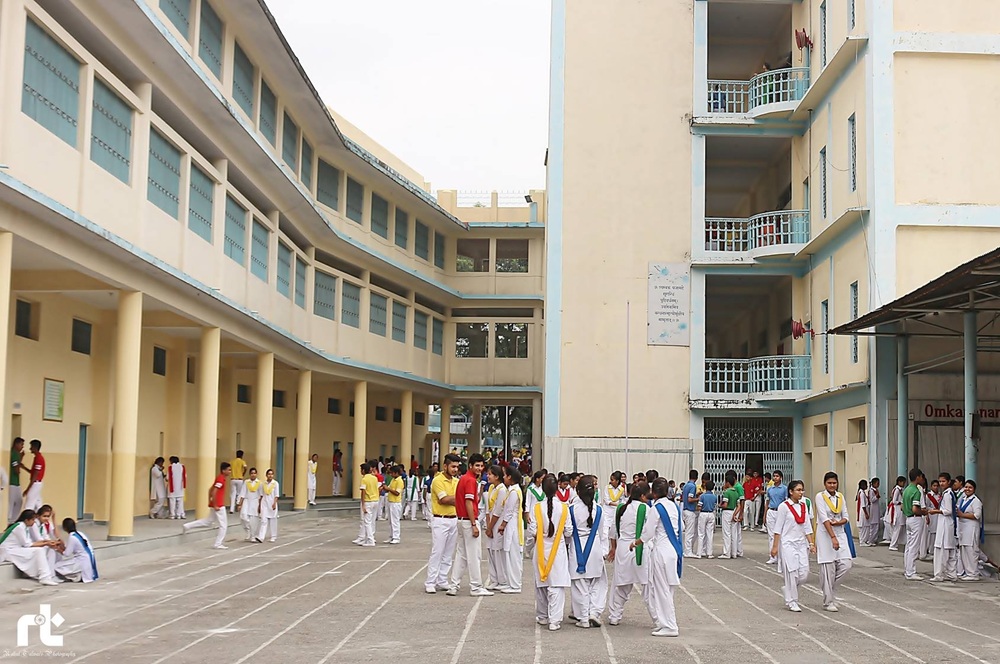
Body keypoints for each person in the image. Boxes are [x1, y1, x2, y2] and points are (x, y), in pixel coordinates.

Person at [527, 475, 573, 631]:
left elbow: (532, 531)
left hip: (540, 551)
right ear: (557, 489)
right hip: (558, 551)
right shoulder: (564, 508)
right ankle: (555, 619)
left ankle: (542, 616)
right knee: (556, 586)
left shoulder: (537, 508)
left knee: (541, 584)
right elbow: (568, 532)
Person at [607, 482, 655, 626]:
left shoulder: (621, 508)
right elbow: (651, 530)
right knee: (647, 585)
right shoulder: (646, 508)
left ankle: (614, 616)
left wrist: (613, 548)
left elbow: (613, 531)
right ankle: (657, 618)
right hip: (640, 547)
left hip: (622, 548)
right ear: (642, 496)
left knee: (621, 584)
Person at [448, 453, 492, 597]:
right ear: (470, 466)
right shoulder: (470, 481)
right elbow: (468, 502)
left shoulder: (464, 479)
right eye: (477, 465)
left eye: (481, 465)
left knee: (462, 554)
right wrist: (474, 523)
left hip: (461, 520)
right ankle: (476, 586)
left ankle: (454, 585)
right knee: (474, 555)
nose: (480, 468)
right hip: (468, 520)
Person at [770, 479, 815, 612]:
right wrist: (775, 546)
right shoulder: (784, 506)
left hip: (801, 543)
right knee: (792, 572)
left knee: (804, 573)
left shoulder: (803, 506)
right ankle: (792, 601)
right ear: (791, 492)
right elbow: (778, 528)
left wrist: (811, 543)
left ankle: (788, 589)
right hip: (787, 543)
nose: (801, 493)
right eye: (798, 490)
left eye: (802, 490)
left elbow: (807, 525)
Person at [568, 476, 607, 628]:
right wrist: (604, 550)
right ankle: (594, 612)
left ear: (577, 491)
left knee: (579, 584)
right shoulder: (599, 510)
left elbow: (568, 532)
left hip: (577, 550)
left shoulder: (571, 509)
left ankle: (583, 617)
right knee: (597, 582)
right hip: (595, 548)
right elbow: (602, 532)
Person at [648, 477, 683, 637]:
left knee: (661, 589)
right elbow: (681, 527)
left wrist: (638, 541)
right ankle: (667, 622)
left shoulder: (656, 508)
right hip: (673, 550)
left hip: (661, 550)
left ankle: (669, 624)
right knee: (669, 588)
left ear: (654, 492)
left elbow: (648, 532)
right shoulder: (674, 506)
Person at [815, 472, 854, 611]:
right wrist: (832, 537)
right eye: (829, 483)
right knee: (828, 569)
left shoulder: (840, 497)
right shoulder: (820, 497)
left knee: (846, 563)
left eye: (834, 483)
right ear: (825, 483)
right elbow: (824, 518)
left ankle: (830, 589)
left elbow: (846, 516)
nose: (832, 485)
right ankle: (828, 601)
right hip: (826, 535)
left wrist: (838, 523)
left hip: (840, 532)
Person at [424, 453, 460, 594]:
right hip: (440, 519)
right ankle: (430, 581)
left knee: (448, 552)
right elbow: (443, 500)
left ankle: (442, 579)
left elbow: (454, 499)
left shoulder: (457, 481)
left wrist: (455, 498)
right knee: (437, 551)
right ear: (445, 466)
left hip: (454, 518)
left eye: (457, 467)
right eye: (452, 466)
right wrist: (459, 498)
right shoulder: (437, 480)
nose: (455, 469)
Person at [0, 509, 59, 585]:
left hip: (15, 549)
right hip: (8, 551)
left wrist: (47, 542)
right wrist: (46, 543)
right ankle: (45, 577)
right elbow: (28, 544)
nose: (34, 522)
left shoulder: (24, 526)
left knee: (39, 550)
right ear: (26, 520)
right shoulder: (20, 527)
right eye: (33, 520)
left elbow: (30, 542)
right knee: (39, 551)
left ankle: (45, 576)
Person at [182, 462, 232, 549]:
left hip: (215, 504)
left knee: (208, 521)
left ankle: (188, 526)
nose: (230, 472)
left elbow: (210, 490)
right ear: (223, 470)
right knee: (223, 525)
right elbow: (214, 491)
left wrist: (210, 502)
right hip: (219, 505)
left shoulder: (221, 478)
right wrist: (215, 504)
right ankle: (218, 543)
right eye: (229, 470)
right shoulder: (220, 479)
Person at [498, 466, 524, 594]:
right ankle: (511, 582)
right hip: (511, 524)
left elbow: (508, 511)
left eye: (505, 475)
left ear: (510, 477)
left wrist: (502, 525)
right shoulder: (512, 490)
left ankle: (515, 584)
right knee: (509, 553)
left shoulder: (514, 492)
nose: (503, 478)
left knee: (513, 555)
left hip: (513, 524)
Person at [484, 465, 508, 591]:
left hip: (497, 524)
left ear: (497, 476)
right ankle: (493, 579)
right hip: (491, 524)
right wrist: (488, 525)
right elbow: (488, 509)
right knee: (490, 550)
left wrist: (491, 527)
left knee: (498, 552)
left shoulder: (502, 490)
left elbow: (498, 511)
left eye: (490, 474)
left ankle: (501, 579)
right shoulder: (491, 488)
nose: (488, 476)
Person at [902, 468, 927, 581]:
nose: (922, 479)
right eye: (921, 477)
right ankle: (911, 572)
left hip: (908, 519)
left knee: (909, 545)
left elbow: (903, 506)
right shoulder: (916, 491)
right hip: (916, 519)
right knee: (914, 546)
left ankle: (907, 569)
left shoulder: (907, 490)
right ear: (917, 477)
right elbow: (915, 509)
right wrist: (924, 512)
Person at [56, 518, 98, 583]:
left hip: (81, 561)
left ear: (64, 528)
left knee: (57, 566)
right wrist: (62, 545)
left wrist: (58, 549)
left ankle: (77, 576)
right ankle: (79, 575)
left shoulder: (72, 537)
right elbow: (70, 549)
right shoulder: (80, 533)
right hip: (88, 559)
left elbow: (66, 554)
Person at [956, 480, 983, 582]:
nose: (967, 489)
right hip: (963, 528)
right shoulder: (964, 499)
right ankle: (967, 572)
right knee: (964, 551)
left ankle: (973, 573)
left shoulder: (976, 501)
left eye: (970, 487)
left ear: (974, 489)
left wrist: (962, 515)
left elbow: (977, 515)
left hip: (971, 529)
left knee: (971, 551)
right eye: (966, 487)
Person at [764, 470, 788, 564]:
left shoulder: (784, 489)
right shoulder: (770, 489)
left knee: (780, 534)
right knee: (771, 535)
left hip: (780, 512)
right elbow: (767, 502)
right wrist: (765, 514)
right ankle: (772, 556)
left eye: (777, 476)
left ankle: (781, 555)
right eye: (774, 476)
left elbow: (786, 502)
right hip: (771, 511)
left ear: (781, 478)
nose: (775, 478)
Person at [354, 463, 379, 547]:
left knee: (367, 522)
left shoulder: (364, 479)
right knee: (371, 521)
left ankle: (370, 540)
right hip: (375, 500)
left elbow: (363, 492)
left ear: (364, 470)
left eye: (361, 469)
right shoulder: (374, 478)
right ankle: (368, 538)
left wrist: (363, 504)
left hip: (368, 501)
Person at [720, 472, 743, 559]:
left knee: (726, 533)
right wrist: (735, 514)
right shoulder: (736, 493)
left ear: (727, 483)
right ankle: (734, 553)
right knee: (734, 533)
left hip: (726, 512)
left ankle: (726, 553)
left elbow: (725, 505)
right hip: (734, 512)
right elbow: (739, 506)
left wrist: (719, 505)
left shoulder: (727, 492)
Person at [253, 468, 279, 543]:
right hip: (264, 503)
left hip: (272, 503)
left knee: (273, 520)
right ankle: (261, 537)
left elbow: (276, 495)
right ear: (266, 475)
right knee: (263, 520)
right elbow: (261, 495)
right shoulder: (263, 484)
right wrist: (259, 505)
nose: (270, 476)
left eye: (271, 474)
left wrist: (274, 503)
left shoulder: (275, 484)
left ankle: (273, 536)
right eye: (269, 474)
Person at [238, 467, 261, 541]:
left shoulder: (259, 483)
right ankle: (247, 530)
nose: (253, 475)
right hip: (246, 501)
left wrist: (260, 506)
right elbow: (243, 493)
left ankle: (253, 535)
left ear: (256, 474)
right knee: (243, 517)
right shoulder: (246, 482)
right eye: (252, 473)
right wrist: (240, 504)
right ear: (250, 474)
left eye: (254, 473)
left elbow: (261, 495)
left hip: (255, 502)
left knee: (253, 520)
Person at [884, 475, 906, 550]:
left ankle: (895, 543)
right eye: (903, 482)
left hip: (898, 510)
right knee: (897, 528)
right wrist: (901, 502)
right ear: (899, 482)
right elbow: (894, 501)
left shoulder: (899, 489)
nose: (904, 484)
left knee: (897, 528)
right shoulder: (897, 490)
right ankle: (893, 545)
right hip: (896, 510)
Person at [7, 437, 27, 523]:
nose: (22, 447)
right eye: (21, 444)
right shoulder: (14, 454)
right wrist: (20, 459)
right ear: (16, 444)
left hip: (16, 483)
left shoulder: (17, 454)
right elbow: (16, 470)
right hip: (12, 482)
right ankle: (9, 520)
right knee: (12, 503)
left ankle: (13, 520)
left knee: (18, 501)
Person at [681, 469, 699, 558]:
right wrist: (698, 498)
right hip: (690, 510)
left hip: (685, 509)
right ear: (697, 477)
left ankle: (687, 550)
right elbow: (690, 499)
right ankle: (688, 551)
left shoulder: (686, 485)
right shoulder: (692, 486)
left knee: (688, 531)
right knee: (690, 532)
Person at [602, 471, 626, 540]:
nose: (611, 481)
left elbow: (622, 500)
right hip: (607, 511)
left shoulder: (621, 489)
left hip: (615, 512)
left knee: (614, 532)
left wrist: (620, 506)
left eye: (613, 480)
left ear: (617, 481)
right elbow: (606, 500)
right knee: (605, 533)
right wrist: (616, 504)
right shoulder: (607, 487)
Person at [697, 480, 717, 558]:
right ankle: (709, 553)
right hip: (711, 513)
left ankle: (699, 553)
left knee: (701, 533)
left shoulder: (702, 496)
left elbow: (699, 507)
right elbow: (714, 506)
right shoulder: (714, 497)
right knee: (710, 533)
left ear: (705, 487)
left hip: (703, 513)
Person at [23, 439, 45, 512]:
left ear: (35, 447)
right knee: (38, 503)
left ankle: (27, 518)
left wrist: (28, 489)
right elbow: (33, 472)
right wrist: (24, 467)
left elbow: (35, 475)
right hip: (37, 483)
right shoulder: (37, 457)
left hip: (35, 483)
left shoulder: (38, 458)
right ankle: (41, 518)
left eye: (31, 446)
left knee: (29, 503)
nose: (30, 448)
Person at [921, 479, 941, 561]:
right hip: (931, 515)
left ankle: (934, 550)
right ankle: (930, 550)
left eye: (937, 486)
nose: (936, 487)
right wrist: (931, 511)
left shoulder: (940, 495)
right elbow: (926, 506)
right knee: (931, 533)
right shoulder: (928, 496)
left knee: (936, 533)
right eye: (934, 486)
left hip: (938, 515)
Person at [385, 465, 404, 544]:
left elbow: (397, 492)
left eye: (392, 473)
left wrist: (388, 489)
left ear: (396, 473)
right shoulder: (393, 480)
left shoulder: (400, 481)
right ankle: (391, 536)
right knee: (390, 520)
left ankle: (396, 537)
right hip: (390, 501)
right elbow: (388, 488)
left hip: (396, 503)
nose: (391, 474)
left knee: (395, 521)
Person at [855, 480, 872, 546]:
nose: (867, 486)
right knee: (864, 527)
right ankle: (863, 541)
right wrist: (866, 513)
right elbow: (863, 505)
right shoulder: (861, 493)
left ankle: (863, 540)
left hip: (863, 511)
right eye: (866, 485)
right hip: (863, 512)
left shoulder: (861, 492)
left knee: (864, 527)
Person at [867, 477, 883, 543]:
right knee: (873, 526)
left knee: (876, 526)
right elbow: (871, 500)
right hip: (873, 509)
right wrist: (876, 496)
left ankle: (874, 540)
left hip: (876, 509)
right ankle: (870, 540)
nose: (878, 484)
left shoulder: (876, 490)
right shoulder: (871, 491)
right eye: (877, 483)